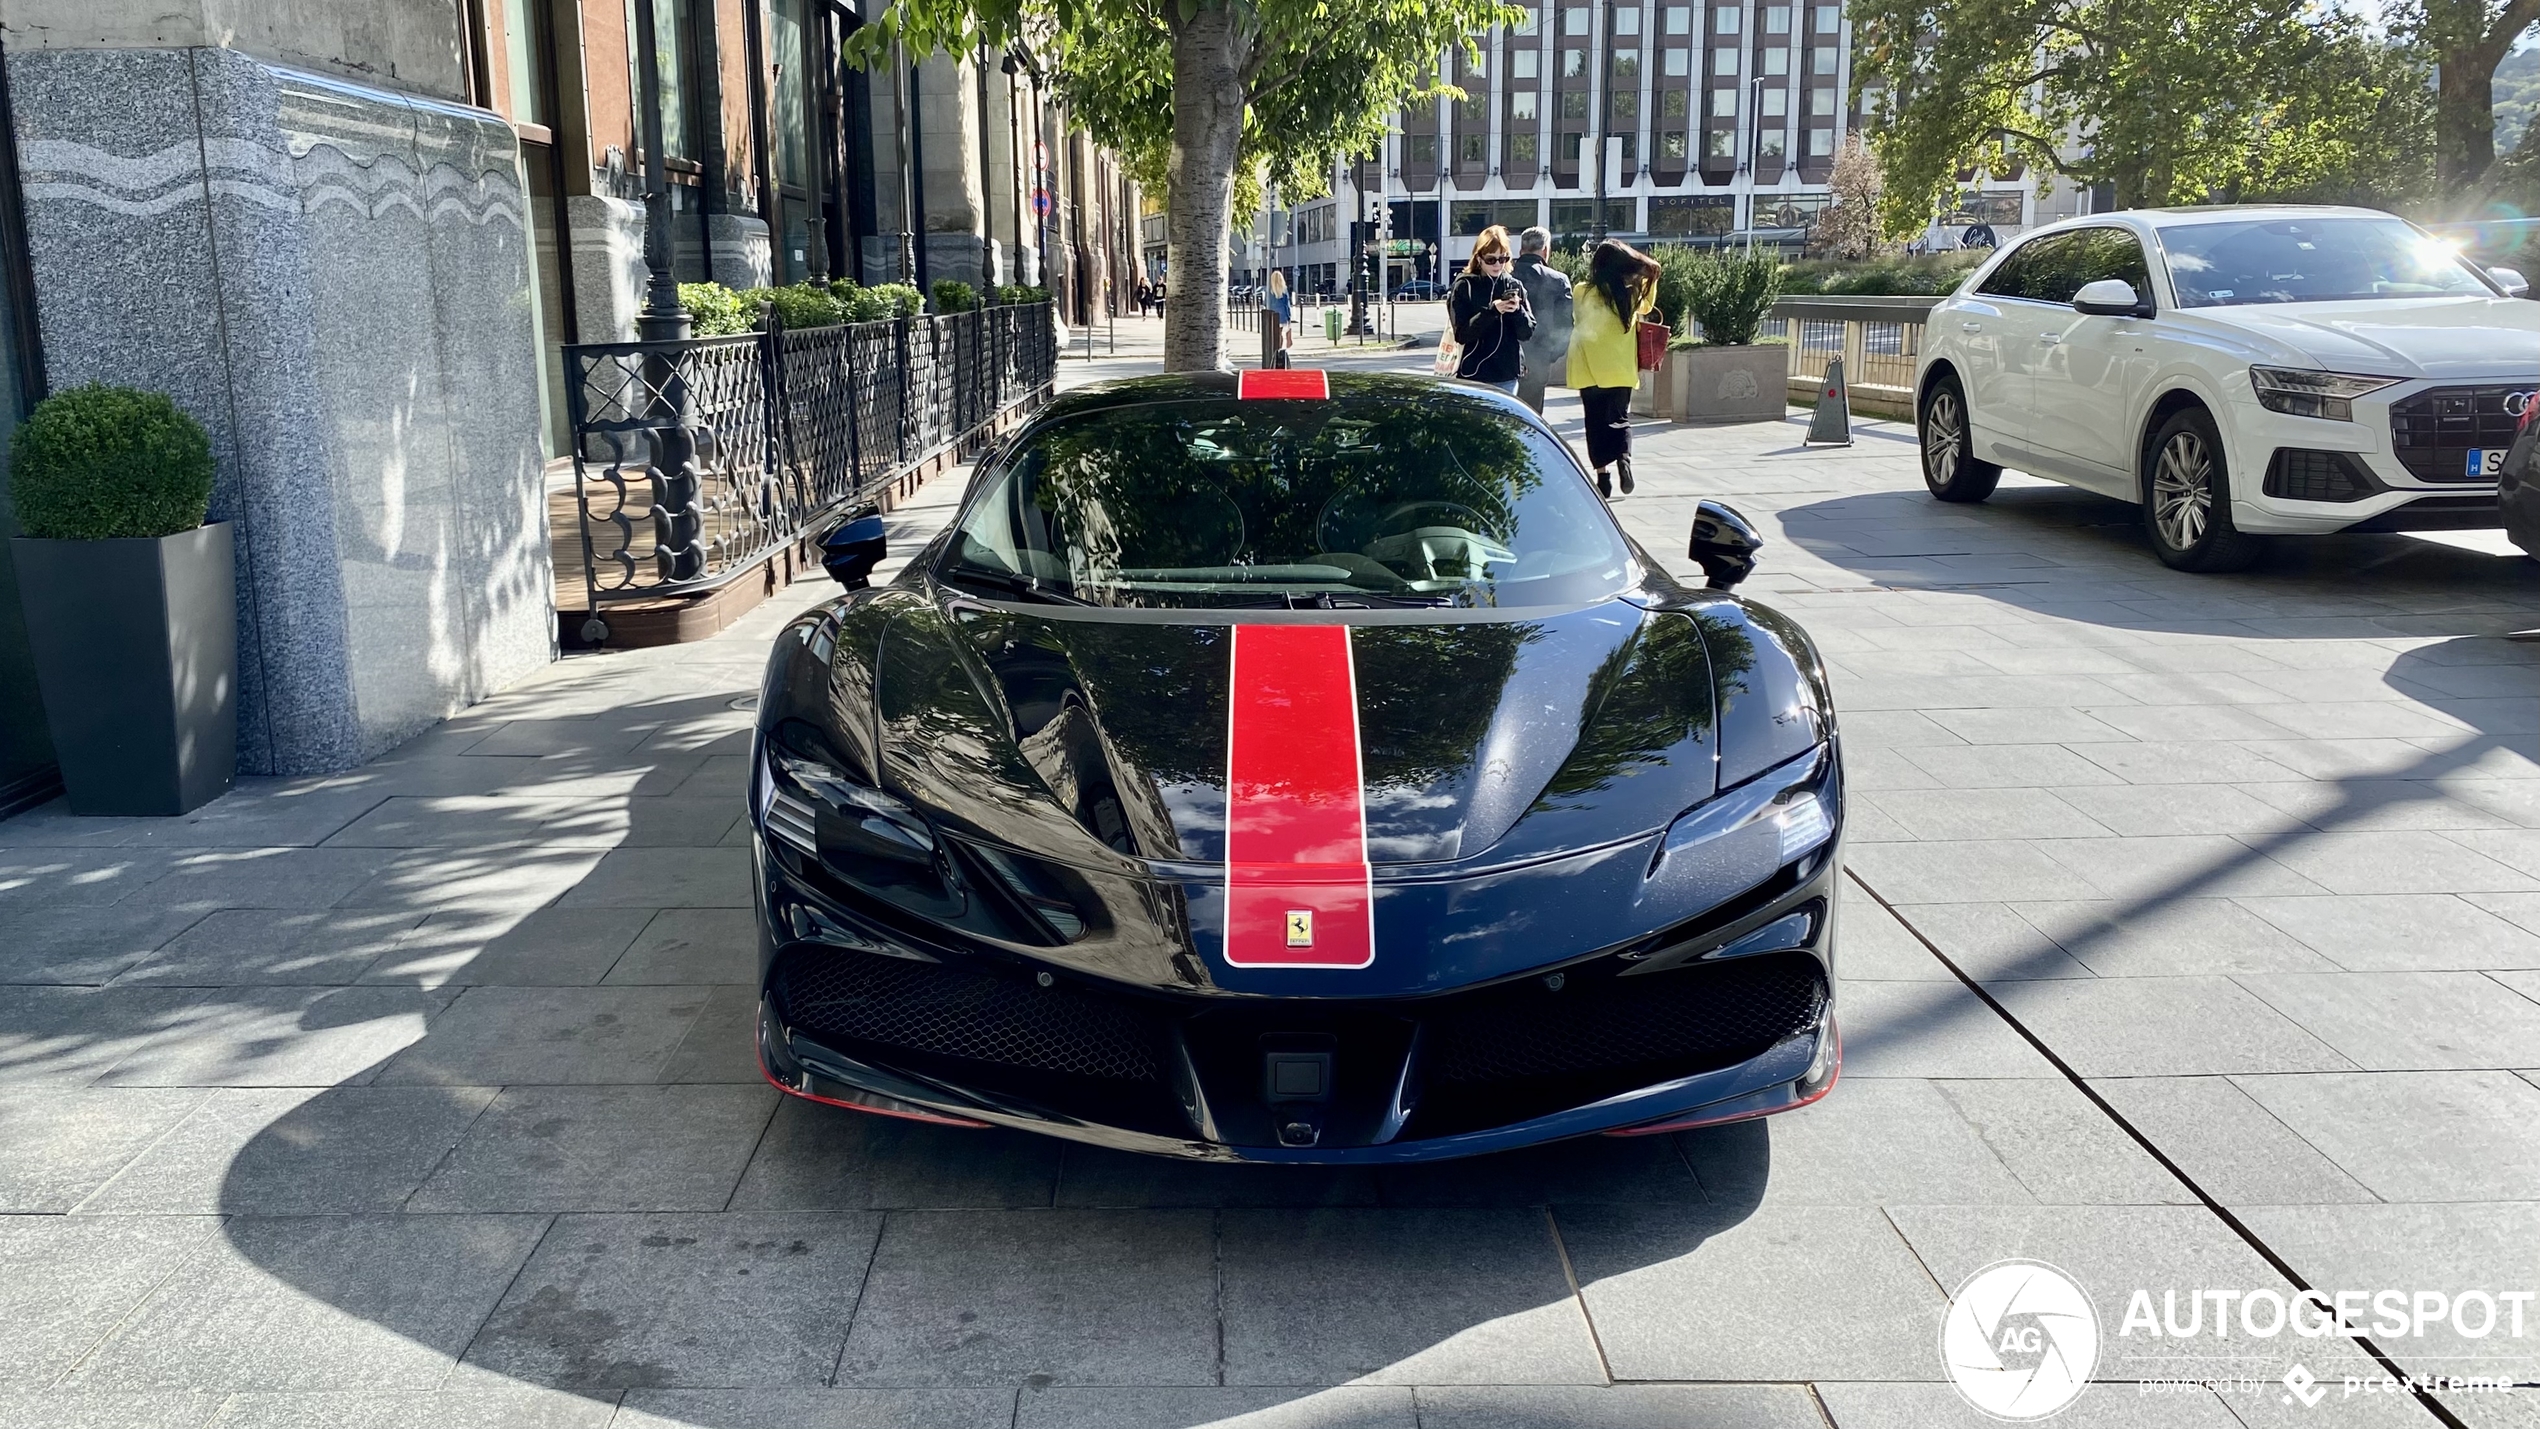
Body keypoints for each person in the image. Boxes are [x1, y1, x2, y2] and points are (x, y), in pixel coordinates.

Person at [1565, 238, 1659, 499]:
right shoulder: (1630, 294)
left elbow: (1575, 318)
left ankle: (1602, 477)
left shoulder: (1582, 291)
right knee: (1620, 418)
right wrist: (1644, 265)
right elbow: (1649, 303)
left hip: (1588, 369)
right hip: (1620, 369)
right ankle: (1624, 459)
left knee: (1594, 423)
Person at [1445, 226, 1535, 394]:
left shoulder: (1514, 285)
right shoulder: (1465, 286)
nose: (1497, 264)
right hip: (1474, 374)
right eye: (1491, 259)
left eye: (1503, 258)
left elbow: (1527, 332)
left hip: (1507, 374)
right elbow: (1462, 334)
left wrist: (1517, 311)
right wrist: (1492, 311)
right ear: (1479, 258)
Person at [1510, 226, 1572, 415]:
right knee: (1532, 418)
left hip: (1503, 357)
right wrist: (1550, 355)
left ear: (1521, 251)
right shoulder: (1558, 280)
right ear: (1545, 251)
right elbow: (1566, 325)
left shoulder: (1505, 276)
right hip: (1538, 358)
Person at [1264, 271, 1295, 366]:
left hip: (1272, 315)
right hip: (1282, 315)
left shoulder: (1269, 290)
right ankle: (1280, 350)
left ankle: (1275, 349)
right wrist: (1289, 317)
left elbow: (1266, 303)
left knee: (1276, 333)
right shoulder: (1283, 290)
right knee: (1281, 332)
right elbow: (1287, 305)